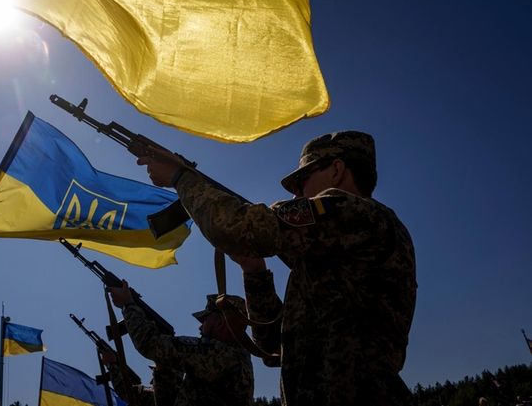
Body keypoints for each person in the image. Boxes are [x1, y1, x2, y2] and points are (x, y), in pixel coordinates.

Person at [138, 131, 417, 406]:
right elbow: (273, 345)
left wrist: (180, 177)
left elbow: (235, 227)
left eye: (303, 180)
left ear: (336, 170)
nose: (298, 193)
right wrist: (255, 273)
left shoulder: (357, 213)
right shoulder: (337, 251)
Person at [108, 282, 254, 406]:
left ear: (222, 321)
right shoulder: (234, 357)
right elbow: (168, 401)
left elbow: (149, 343)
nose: (200, 327)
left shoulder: (220, 353)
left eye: (205, 320)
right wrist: (163, 368)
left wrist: (128, 304)